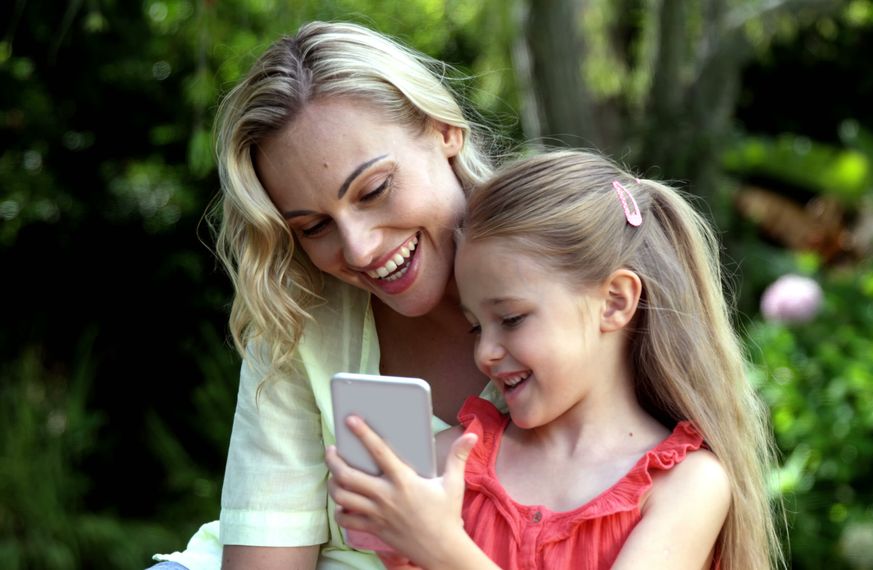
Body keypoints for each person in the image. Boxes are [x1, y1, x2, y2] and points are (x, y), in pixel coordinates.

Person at [150, 20, 504, 570]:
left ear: (443, 130)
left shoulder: (582, 279)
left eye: (374, 190)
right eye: (314, 227)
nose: (358, 251)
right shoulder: (298, 312)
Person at [326, 150, 784, 569]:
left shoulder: (688, 487)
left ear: (615, 302)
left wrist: (441, 546)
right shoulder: (449, 465)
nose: (484, 353)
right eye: (475, 326)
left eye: (511, 318)